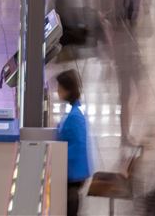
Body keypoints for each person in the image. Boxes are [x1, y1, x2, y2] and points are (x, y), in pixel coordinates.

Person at [56, 70, 93, 216]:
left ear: (68, 90)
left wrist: (58, 158)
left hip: (74, 172)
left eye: (60, 88)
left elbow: (78, 145)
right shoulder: (74, 111)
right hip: (72, 170)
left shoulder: (75, 116)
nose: (57, 91)